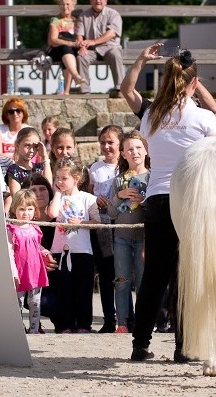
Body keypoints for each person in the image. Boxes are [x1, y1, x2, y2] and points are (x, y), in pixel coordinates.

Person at [120, 44, 216, 362]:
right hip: (190, 200)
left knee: (153, 276)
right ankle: (183, 347)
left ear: (166, 80)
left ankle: (140, 344)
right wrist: (192, 81)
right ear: (193, 83)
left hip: (158, 198)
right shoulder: (203, 119)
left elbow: (126, 89)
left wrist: (140, 60)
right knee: (186, 274)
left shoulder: (151, 115)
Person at [47, 156, 100, 333]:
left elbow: (97, 222)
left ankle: (84, 324)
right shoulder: (59, 198)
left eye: (64, 178)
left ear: (76, 178)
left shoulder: (88, 198)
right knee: (64, 290)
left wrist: (82, 223)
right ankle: (66, 324)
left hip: (82, 251)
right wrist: (56, 193)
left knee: (83, 289)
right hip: (60, 251)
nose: (59, 181)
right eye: (57, 177)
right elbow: (52, 213)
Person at [106, 130, 150, 334]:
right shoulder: (117, 180)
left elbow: (159, 210)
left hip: (144, 237)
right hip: (121, 238)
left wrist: (145, 202)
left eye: (138, 147)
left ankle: (143, 322)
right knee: (122, 280)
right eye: (130, 149)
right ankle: (122, 322)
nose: (135, 152)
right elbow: (111, 213)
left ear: (145, 150)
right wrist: (119, 195)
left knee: (143, 281)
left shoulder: (153, 177)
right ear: (122, 153)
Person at [88, 125, 123, 333]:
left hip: (122, 224)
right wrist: (97, 200)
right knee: (106, 272)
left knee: (124, 273)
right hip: (102, 225)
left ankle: (127, 317)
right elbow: (90, 194)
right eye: (103, 142)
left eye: (111, 142)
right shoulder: (95, 168)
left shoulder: (125, 167)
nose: (107, 146)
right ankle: (109, 318)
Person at [7, 189, 50, 334]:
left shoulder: (35, 228)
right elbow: (10, 251)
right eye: (22, 209)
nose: (26, 213)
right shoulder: (11, 229)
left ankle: (34, 329)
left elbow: (37, 245)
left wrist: (45, 251)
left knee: (35, 302)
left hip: (35, 272)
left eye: (30, 209)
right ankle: (18, 330)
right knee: (17, 303)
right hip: (18, 273)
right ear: (14, 209)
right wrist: (13, 273)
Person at [21, 174, 60, 332]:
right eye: (33, 190)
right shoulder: (21, 222)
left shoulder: (61, 218)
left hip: (59, 276)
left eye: (42, 189)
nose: (38, 193)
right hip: (33, 279)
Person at [75, 0, 124, 94]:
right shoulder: (83, 16)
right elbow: (79, 34)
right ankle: (84, 91)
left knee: (115, 53)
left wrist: (93, 41)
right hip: (91, 50)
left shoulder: (113, 14)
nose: (98, 0)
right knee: (81, 56)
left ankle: (120, 89)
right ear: (90, 0)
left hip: (110, 48)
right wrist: (82, 46)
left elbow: (112, 33)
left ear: (105, 1)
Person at [47, 0, 86, 95]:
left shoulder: (77, 21)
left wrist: (80, 45)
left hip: (71, 52)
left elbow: (80, 37)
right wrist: (70, 43)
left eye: (68, 4)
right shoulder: (56, 20)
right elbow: (53, 40)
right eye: (62, 4)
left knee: (69, 52)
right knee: (66, 48)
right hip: (56, 49)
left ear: (73, 6)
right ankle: (76, 76)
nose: (65, 7)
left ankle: (66, 91)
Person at [6, 127, 52, 196]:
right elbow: (17, 198)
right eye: (27, 145)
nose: (31, 150)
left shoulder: (39, 168)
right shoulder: (14, 170)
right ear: (18, 146)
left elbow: (49, 187)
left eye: (35, 147)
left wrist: (45, 157)